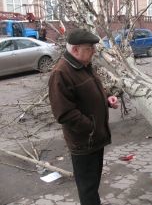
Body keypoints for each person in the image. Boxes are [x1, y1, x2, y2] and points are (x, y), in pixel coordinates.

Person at [48, 28, 118, 205]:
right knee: (87, 189)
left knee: (92, 185)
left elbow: (90, 93)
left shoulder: (83, 65)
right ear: (75, 50)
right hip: (84, 142)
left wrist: (106, 99)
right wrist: (92, 127)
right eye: (90, 48)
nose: (94, 51)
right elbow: (65, 114)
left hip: (95, 139)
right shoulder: (61, 73)